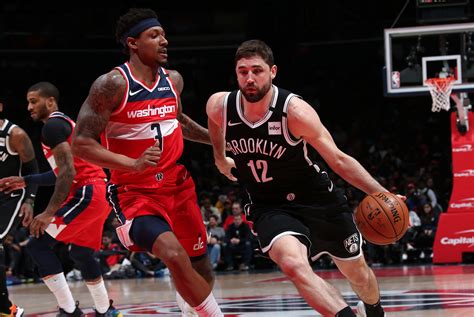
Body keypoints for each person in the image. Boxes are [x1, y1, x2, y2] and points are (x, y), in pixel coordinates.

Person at [206, 39, 391, 317]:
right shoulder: (221, 105)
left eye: (257, 70)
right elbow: (213, 123)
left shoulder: (294, 112)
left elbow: (338, 160)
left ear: (273, 72)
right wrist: (220, 158)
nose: (250, 78)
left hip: (316, 199)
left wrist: (381, 193)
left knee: (359, 274)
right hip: (269, 205)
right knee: (293, 265)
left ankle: (374, 310)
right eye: (243, 71)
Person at [71, 8, 222, 317]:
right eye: (154, 36)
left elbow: (177, 121)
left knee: (201, 265)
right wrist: (132, 163)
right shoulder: (112, 84)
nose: (164, 41)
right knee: (173, 254)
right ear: (133, 43)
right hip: (135, 190)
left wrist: (218, 141)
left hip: (177, 184)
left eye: (164, 34)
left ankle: (191, 312)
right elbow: (81, 144)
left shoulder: (173, 80)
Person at [0, 82, 120, 316]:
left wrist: (47, 213)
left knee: (37, 245)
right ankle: (106, 311)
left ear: (51, 101)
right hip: (95, 192)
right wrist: (28, 180)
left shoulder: (52, 126)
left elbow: (67, 173)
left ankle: (68, 310)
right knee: (81, 254)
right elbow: (61, 172)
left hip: (86, 192)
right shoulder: (62, 124)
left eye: (34, 101)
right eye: (28, 102)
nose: (29, 107)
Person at [0, 98, 38, 317]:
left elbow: (32, 170)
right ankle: (6, 308)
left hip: (11, 196)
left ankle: (6, 309)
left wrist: (30, 201)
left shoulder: (15, 135)